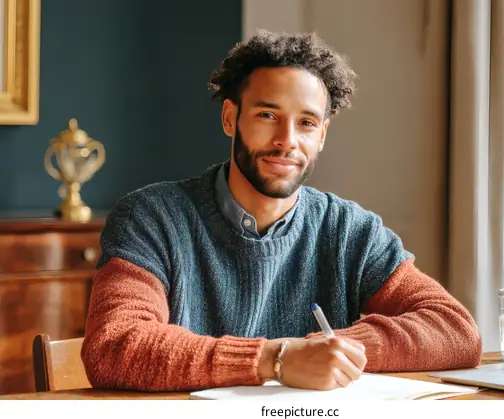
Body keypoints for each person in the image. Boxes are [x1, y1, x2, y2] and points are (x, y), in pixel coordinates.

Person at [81, 29, 481, 392]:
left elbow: (456, 330)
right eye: (268, 116)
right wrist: (276, 359)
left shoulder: (348, 230)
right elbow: (116, 344)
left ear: (321, 136)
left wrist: (339, 350)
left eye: (306, 123)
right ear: (230, 118)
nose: (286, 141)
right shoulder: (152, 217)